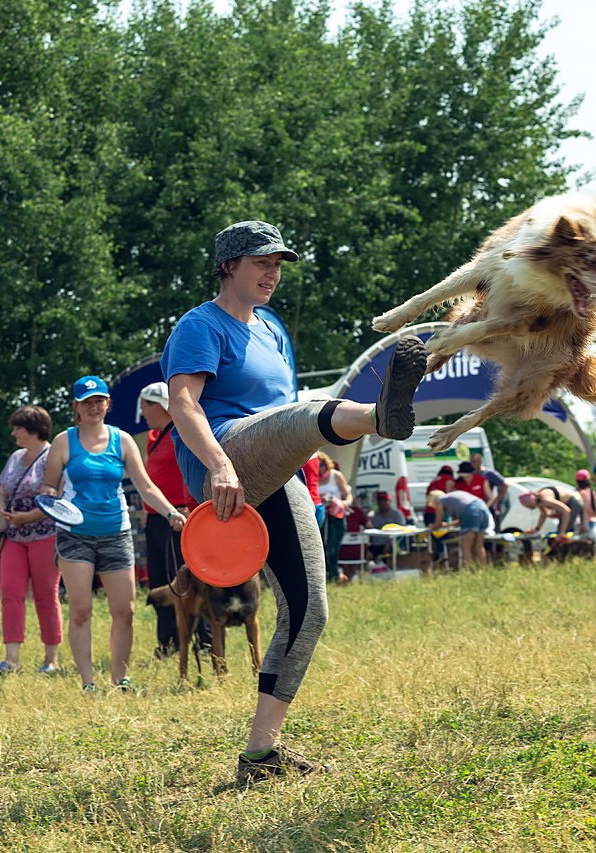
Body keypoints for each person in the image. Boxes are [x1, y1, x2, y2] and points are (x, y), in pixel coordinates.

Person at [162, 219, 427, 785]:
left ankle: (261, 756)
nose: (273, 273)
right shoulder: (199, 326)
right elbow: (184, 404)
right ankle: (382, 416)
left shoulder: (274, 328)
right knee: (310, 412)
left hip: (281, 470)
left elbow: (281, 411)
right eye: (262, 262)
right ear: (228, 265)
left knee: (310, 612)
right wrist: (219, 464)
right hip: (224, 462)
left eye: (279, 263)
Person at [42, 375, 189, 693]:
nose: (93, 407)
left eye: (99, 401)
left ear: (108, 404)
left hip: (116, 532)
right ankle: (88, 682)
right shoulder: (63, 442)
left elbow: (145, 485)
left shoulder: (122, 440)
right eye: (87, 401)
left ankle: (120, 678)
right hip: (75, 535)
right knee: (81, 609)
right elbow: (49, 487)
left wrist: (171, 512)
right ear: (76, 407)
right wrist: (51, 503)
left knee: (125, 610)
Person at [137, 381, 211, 658]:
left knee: (187, 582)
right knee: (161, 580)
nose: (143, 413)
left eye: (145, 406)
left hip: (180, 516)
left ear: (158, 406)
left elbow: (190, 470)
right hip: (157, 518)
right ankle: (168, 643)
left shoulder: (182, 432)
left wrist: (189, 509)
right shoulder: (155, 437)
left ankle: (203, 642)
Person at [0, 405, 62, 675]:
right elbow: (1, 490)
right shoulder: (14, 457)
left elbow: (55, 497)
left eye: (17, 428)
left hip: (45, 534)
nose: (13, 433)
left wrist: (27, 517)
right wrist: (0, 508)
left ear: (33, 429)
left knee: (46, 595)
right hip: (13, 537)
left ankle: (51, 659)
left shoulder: (51, 456)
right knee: (10, 592)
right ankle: (11, 659)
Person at [425, 489, 490, 568]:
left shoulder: (440, 501)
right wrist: (448, 525)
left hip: (471, 511)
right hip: (482, 508)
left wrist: (432, 526)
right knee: (479, 546)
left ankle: (469, 572)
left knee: (465, 547)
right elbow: (461, 521)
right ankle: (483, 569)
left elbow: (437, 524)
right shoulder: (451, 498)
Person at [317, 452, 353, 586]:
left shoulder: (335, 475)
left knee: (332, 547)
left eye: (321, 465)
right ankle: (326, 578)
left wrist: (344, 503)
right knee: (320, 547)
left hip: (336, 514)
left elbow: (348, 496)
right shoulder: (313, 478)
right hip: (322, 515)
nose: (319, 468)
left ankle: (334, 577)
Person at [518, 484, 586, 538]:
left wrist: (561, 533)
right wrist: (536, 530)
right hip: (571, 501)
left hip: (575, 500)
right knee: (562, 530)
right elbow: (543, 514)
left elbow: (566, 511)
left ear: (531, 501)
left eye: (529, 506)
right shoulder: (538, 499)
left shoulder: (545, 499)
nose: (530, 508)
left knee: (564, 531)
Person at [366, 491, 407, 567]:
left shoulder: (397, 514)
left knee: (389, 553)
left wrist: (388, 544)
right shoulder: (373, 515)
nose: (383, 503)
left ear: (389, 501)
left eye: (385, 501)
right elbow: (369, 530)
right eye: (380, 501)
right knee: (366, 555)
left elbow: (401, 530)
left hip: (392, 544)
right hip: (376, 544)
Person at [470, 453, 505, 522]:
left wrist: (498, 498)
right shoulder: (471, 474)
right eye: (471, 461)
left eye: (474, 461)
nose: (471, 463)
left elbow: (505, 484)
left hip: (488, 506)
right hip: (474, 507)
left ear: (480, 462)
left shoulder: (489, 473)